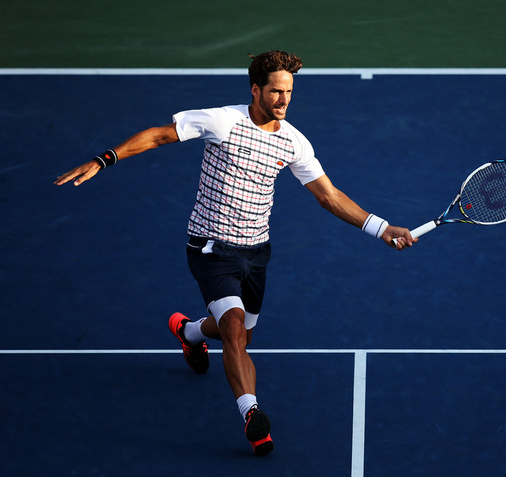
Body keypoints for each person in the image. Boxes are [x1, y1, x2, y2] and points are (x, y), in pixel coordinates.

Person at [54, 50, 417, 456]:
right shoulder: (223, 121)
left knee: (243, 333)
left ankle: (190, 332)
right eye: (276, 91)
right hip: (210, 247)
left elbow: (328, 196)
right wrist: (104, 159)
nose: (283, 100)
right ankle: (252, 415)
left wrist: (381, 228)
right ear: (255, 89)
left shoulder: (293, 141)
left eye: (289, 92)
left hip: (256, 251)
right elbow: (158, 135)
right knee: (232, 326)